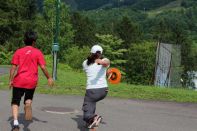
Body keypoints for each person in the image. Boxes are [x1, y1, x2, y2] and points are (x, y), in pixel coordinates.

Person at [9, 31, 54, 131]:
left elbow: (13, 67)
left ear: (24, 41)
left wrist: (10, 80)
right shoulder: (38, 52)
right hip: (31, 81)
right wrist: (49, 77)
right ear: (34, 42)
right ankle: (28, 104)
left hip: (19, 80)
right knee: (28, 99)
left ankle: (16, 124)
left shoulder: (18, 51)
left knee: (15, 102)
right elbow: (43, 67)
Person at [82, 45, 110, 129]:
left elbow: (105, 63)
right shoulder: (103, 60)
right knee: (91, 104)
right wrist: (101, 62)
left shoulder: (85, 63)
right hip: (104, 91)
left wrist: (100, 62)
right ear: (101, 53)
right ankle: (91, 124)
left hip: (92, 91)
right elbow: (107, 63)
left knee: (86, 114)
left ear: (91, 52)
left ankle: (95, 117)